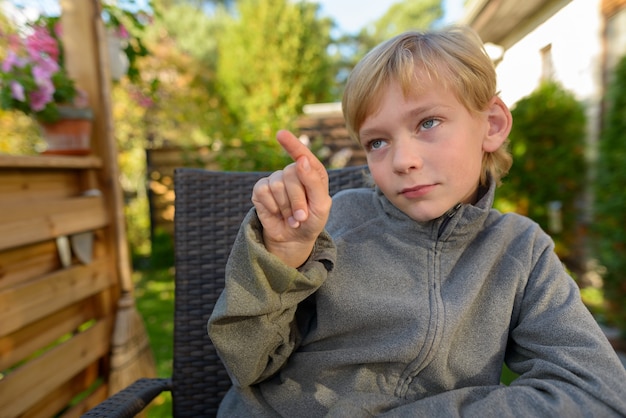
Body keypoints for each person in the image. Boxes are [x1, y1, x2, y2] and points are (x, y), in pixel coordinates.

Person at [207, 25, 626, 417]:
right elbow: (247, 364)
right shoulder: (331, 224)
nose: (403, 161)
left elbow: (595, 390)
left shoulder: (520, 251)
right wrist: (281, 259)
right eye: (378, 142)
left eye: (428, 123)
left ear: (492, 124)